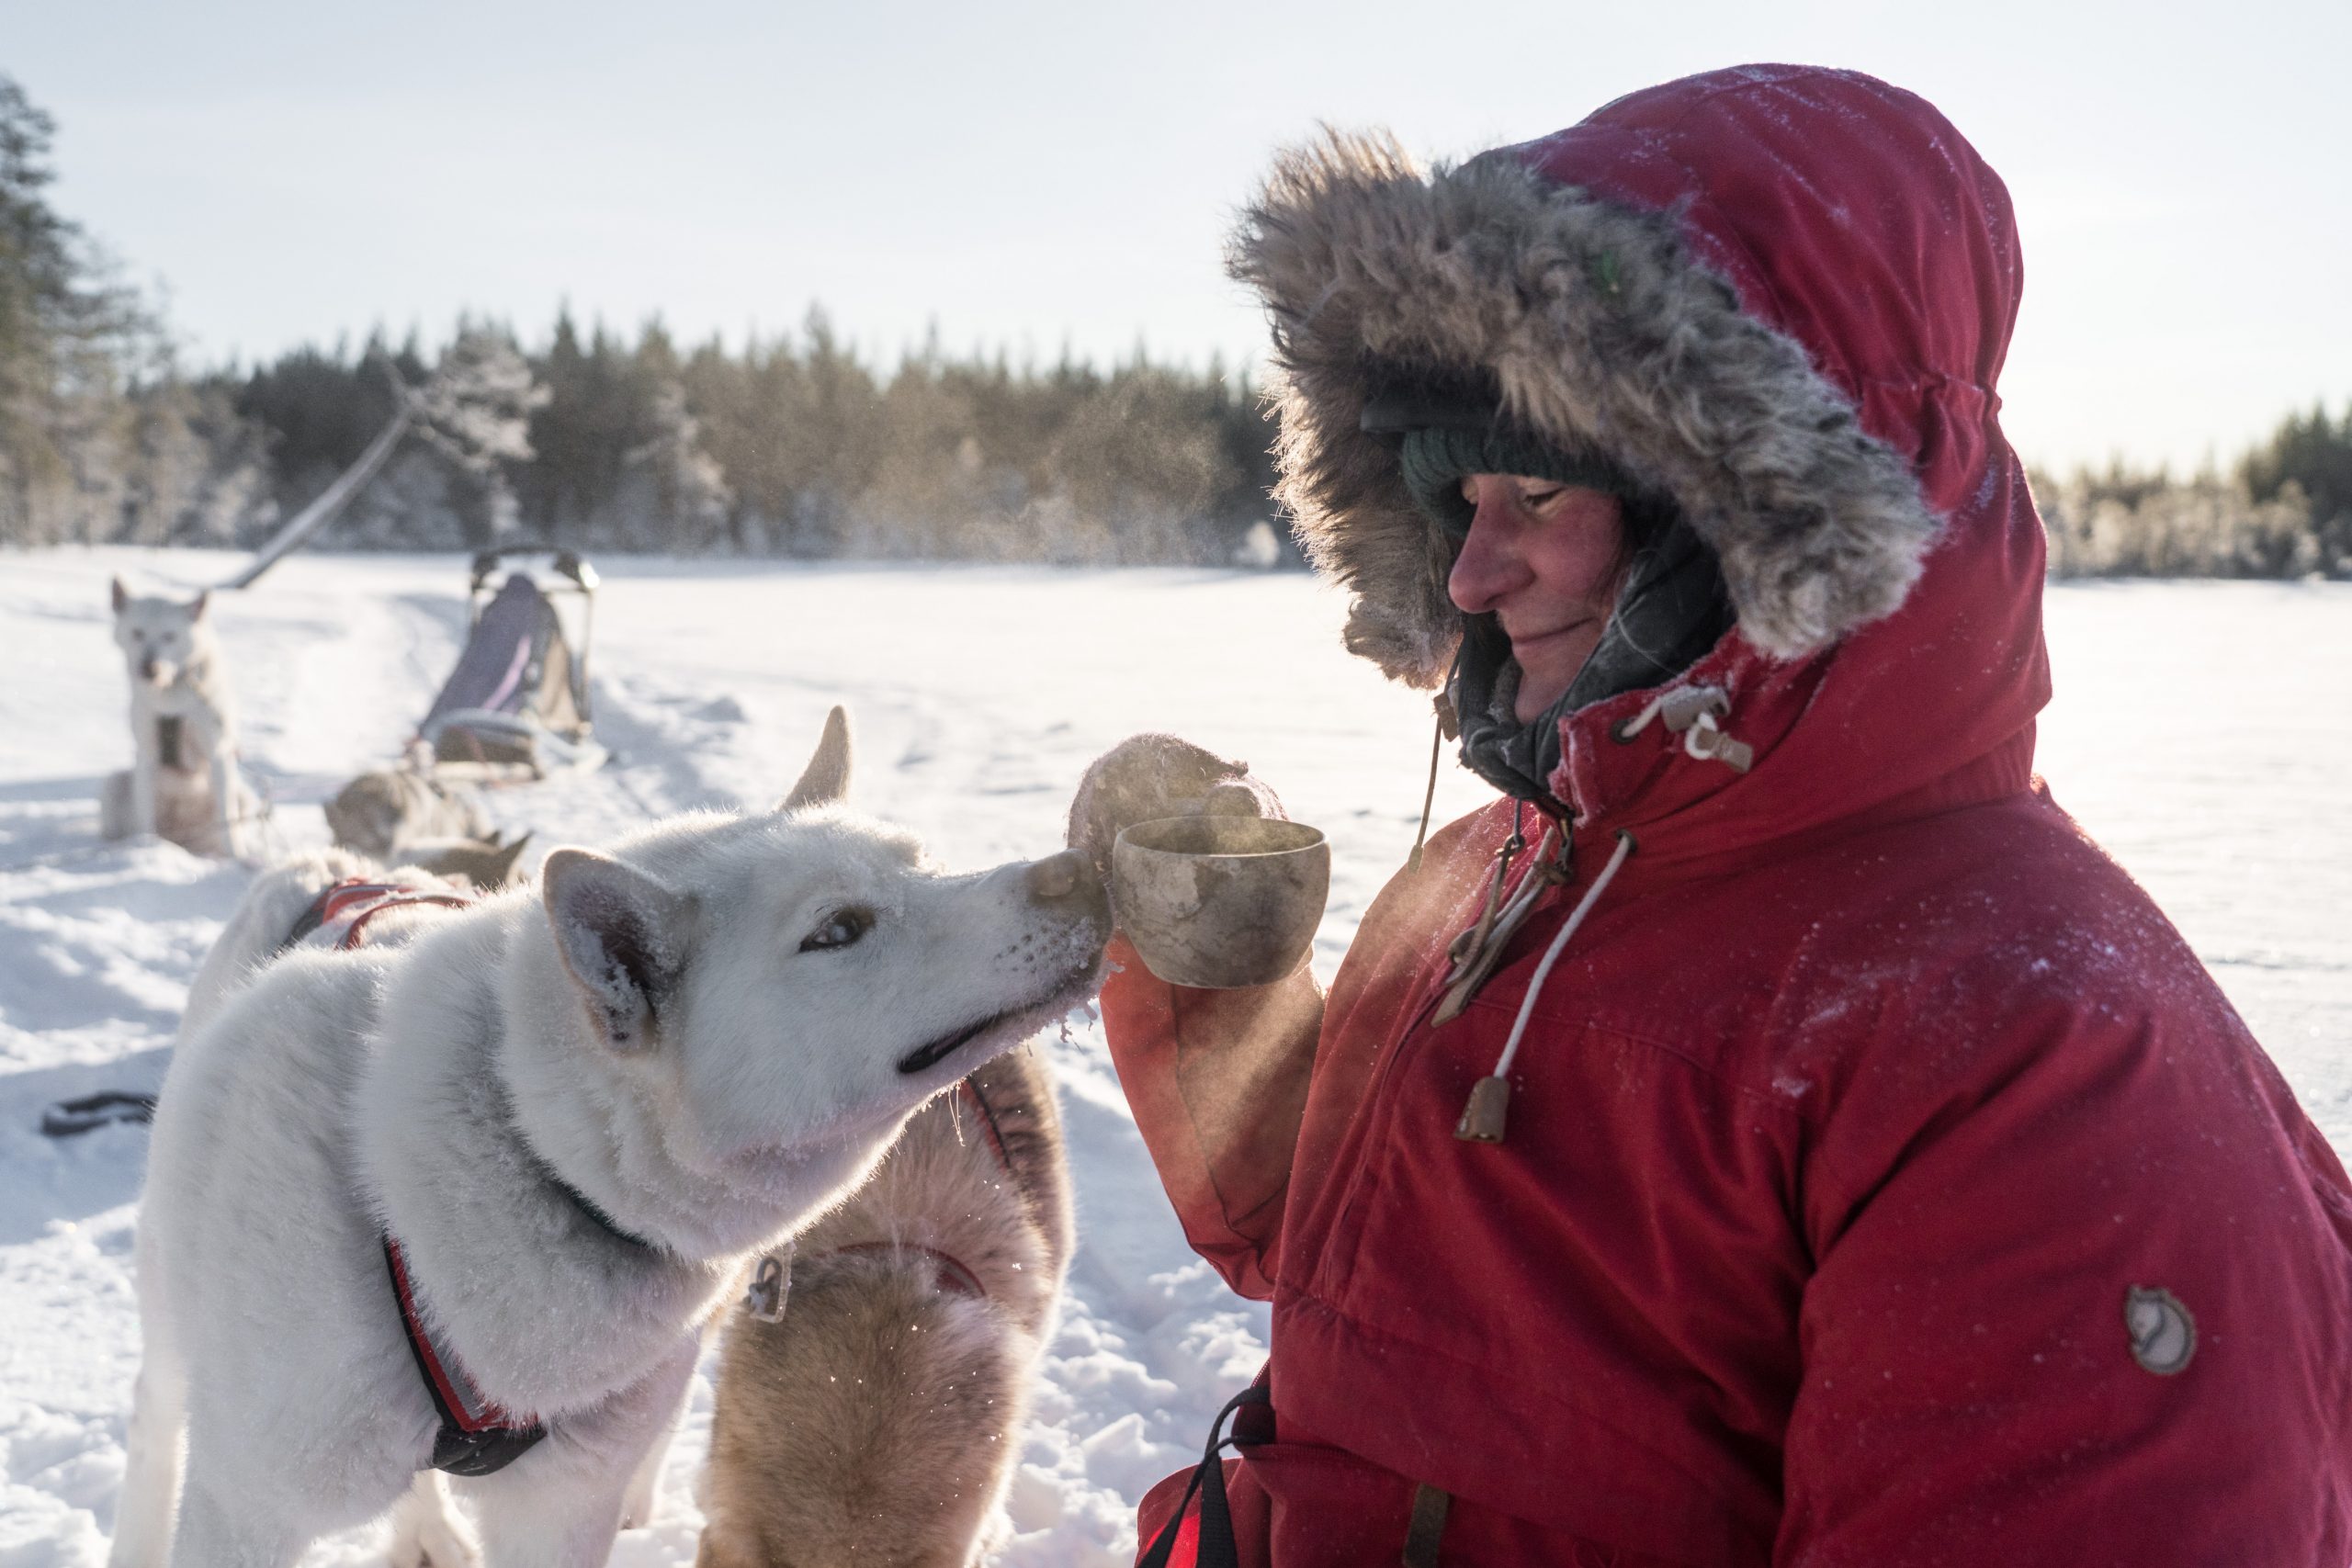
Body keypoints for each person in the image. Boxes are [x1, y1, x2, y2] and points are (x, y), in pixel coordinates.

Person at [1064, 64, 2352, 1567]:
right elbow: (1388, 1266)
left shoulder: (2039, 1055)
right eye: (1461, 497)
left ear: (1740, 506)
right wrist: (1211, 969)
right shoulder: (1523, 861)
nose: (1472, 574)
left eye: (1538, 492)